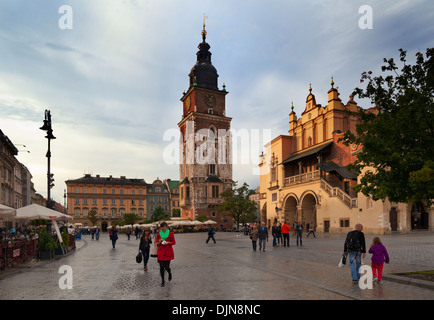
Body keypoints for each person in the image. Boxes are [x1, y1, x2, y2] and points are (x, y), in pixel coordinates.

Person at [155, 222, 176, 287]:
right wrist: (158, 242)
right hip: (161, 252)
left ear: (166, 227)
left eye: (164, 227)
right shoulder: (159, 234)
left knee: (167, 267)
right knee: (161, 267)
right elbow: (157, 244)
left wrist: (169, 242)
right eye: (162, 227)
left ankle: (169, 273)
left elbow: (174, 242)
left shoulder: (171, 233)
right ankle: (163, 281)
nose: (163, 228)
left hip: (168, 251)